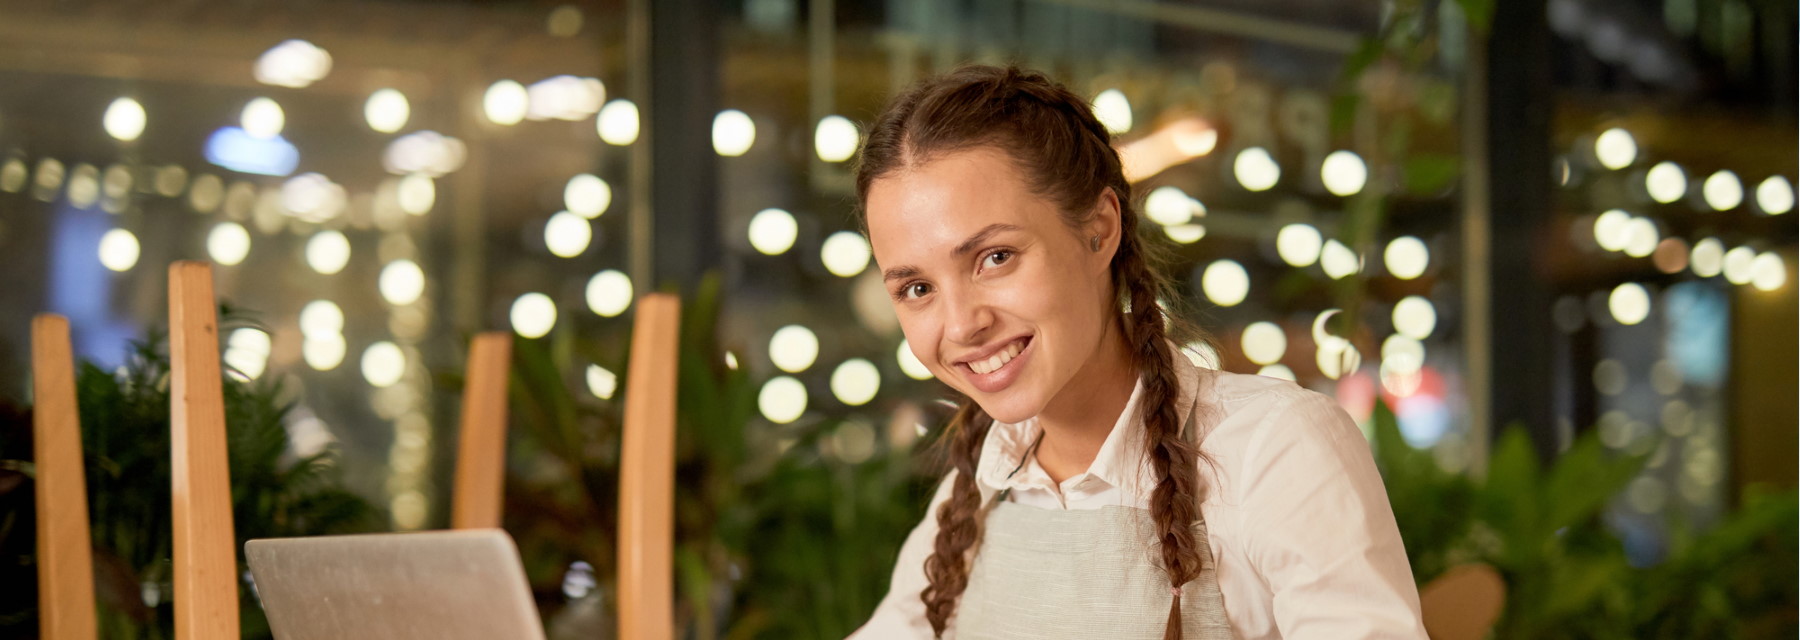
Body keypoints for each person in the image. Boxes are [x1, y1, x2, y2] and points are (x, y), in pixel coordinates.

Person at [845, 65, 1425, 640]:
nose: (961, 324)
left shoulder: (1272, 451)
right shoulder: (977, 488)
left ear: (1099, 229)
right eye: (917, 289)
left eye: (995, 257)